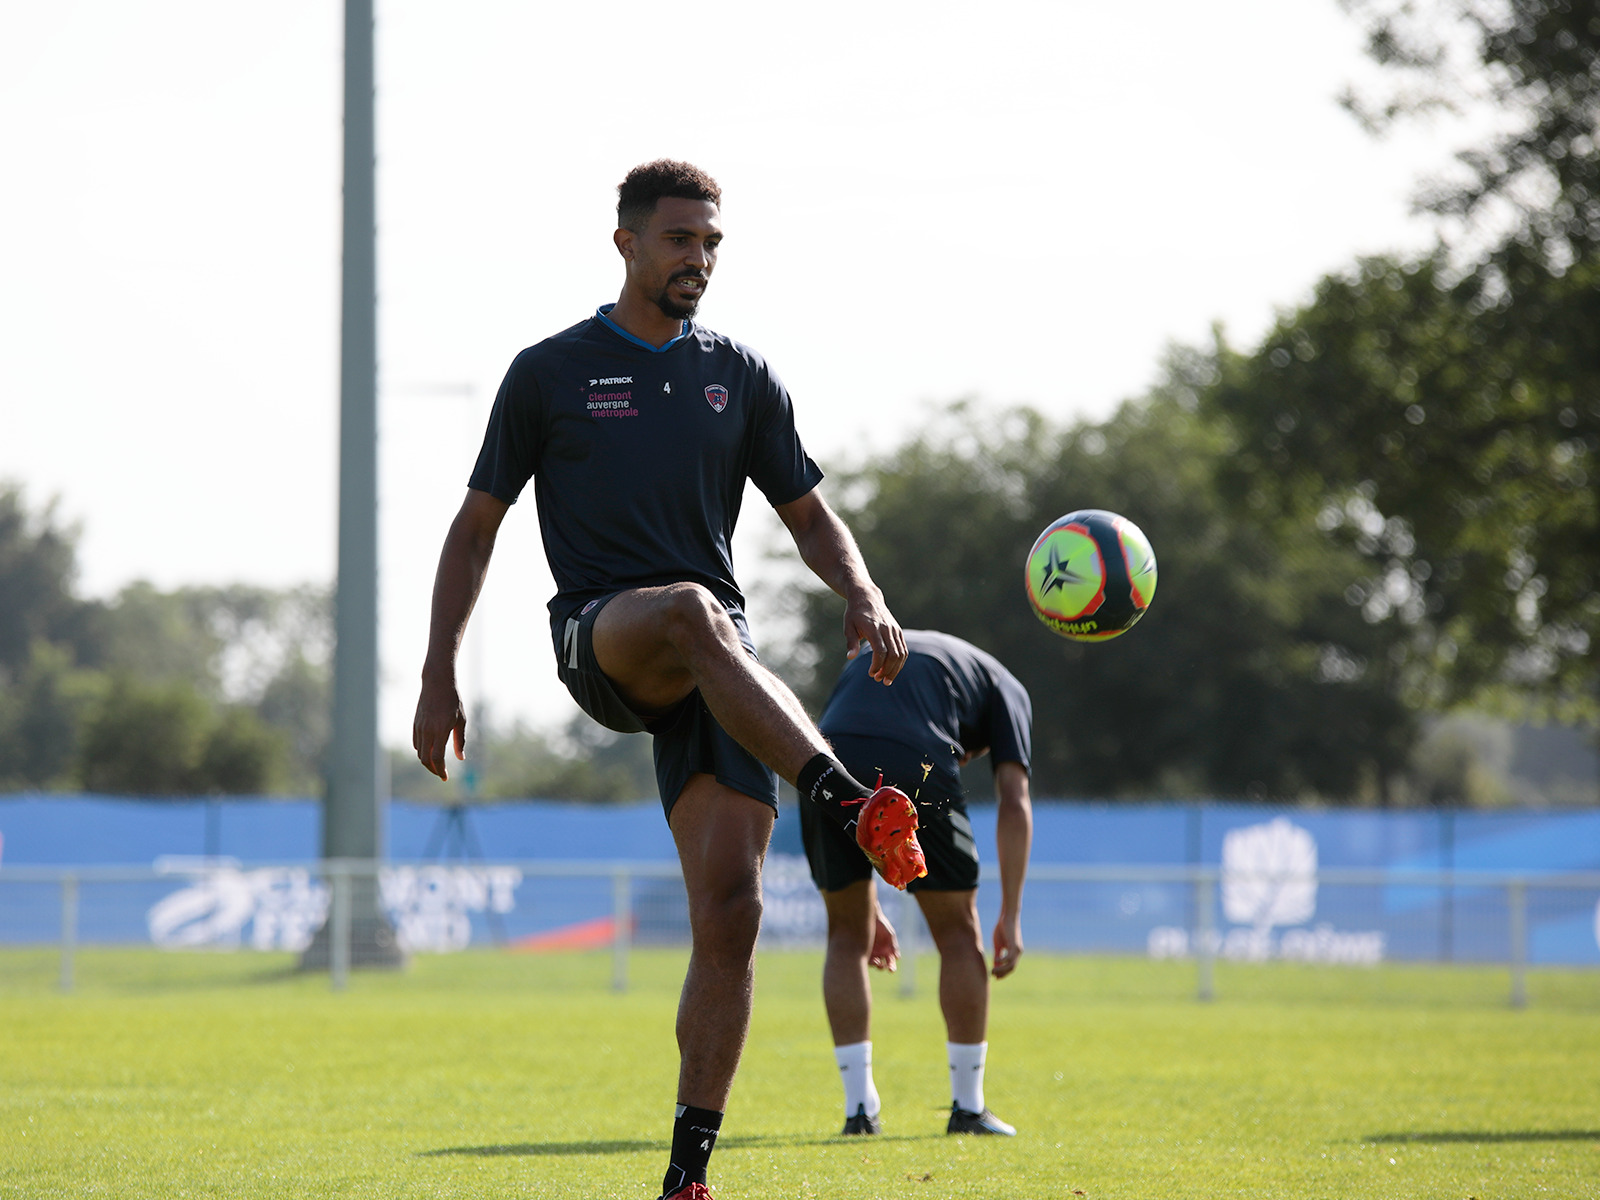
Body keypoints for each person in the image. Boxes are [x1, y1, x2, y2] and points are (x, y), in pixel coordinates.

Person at [411, 160, 926, 1200]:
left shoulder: (740, 373)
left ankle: (686, 1174)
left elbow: (809, 515)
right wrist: (437, 673)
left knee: (729, 913)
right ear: (628, 245)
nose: (700, 258)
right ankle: (841, 802)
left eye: (713, 244)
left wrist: (863, 591)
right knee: (693, 610)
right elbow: (475, 530)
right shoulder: (549, 372)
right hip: (604, 638)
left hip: (713, 667)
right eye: (682, 240)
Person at [799, 629, 1033, 1137]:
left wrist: (870, 909)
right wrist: (1010, 915)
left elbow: (862, 738)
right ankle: (968, 1109)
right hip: (917, 760)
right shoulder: (1008, 688)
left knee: (845, 935)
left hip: (821, 755)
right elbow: (1014, 800)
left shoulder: (919, 658)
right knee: (956, 934)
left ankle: (859, 1110)